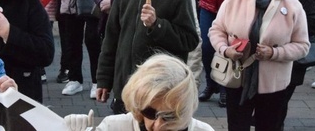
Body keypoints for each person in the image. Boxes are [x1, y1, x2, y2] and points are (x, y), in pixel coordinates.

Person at [96, 0, 199, 114]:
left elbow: (189, 41)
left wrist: (157, 25)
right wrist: (104, 79)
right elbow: (111, 39)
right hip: (125, 89)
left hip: (158, 92)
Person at [209, 0, 309, 130]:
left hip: (274, 82)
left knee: (269, 126)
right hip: (237, 77)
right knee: (237, 126)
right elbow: (216, 30)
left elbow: (303, 45)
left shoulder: (292, 4)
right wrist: (225, 49)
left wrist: (274, 52)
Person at [71, 54, 215, 131]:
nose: (158, 126)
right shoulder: (114, 127)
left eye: (169, 116)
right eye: (150, 113)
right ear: (138, 106)